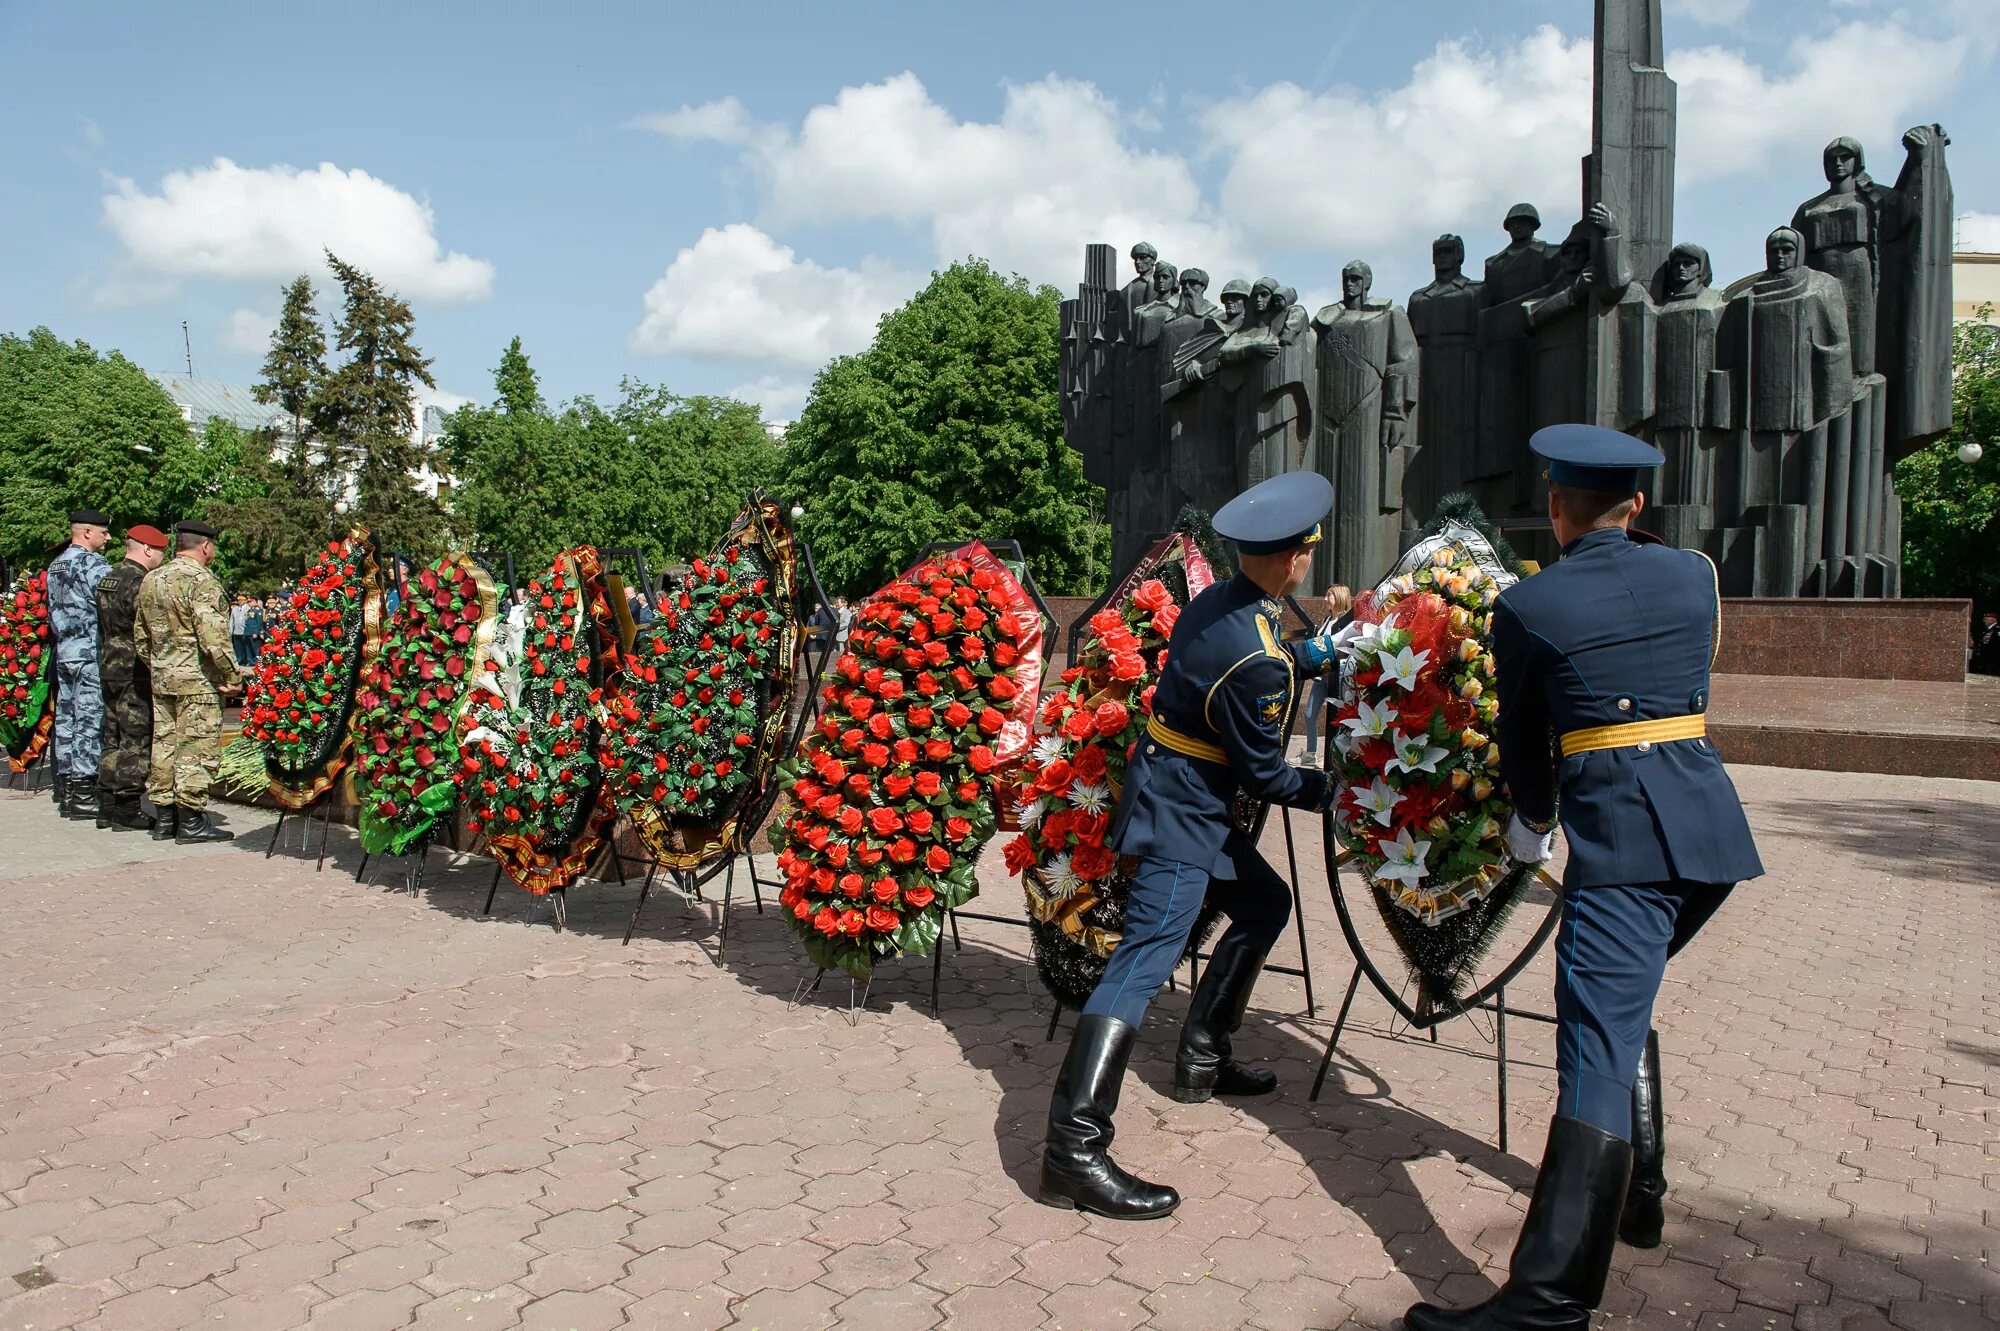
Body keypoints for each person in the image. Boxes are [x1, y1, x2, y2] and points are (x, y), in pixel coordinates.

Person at [1405, 425, 1764, 1331]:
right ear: (1637, 505)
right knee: (1622, 1007)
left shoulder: (1531, 606)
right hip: (1706, 836)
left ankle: (1547, 1300)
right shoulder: (1694, 576)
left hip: (1623, 843)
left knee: (1593, 1051)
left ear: (1555, 506)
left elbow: (1529, 747)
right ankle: (1636, 1196)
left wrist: (1530, 826)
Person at [1039, 472, 1349, 1220]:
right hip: (1187, 810)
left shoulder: (1226, 603)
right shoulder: (1259, 655)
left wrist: (1312, 657)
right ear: (1298, 557)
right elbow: (1270, 774)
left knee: (1263, 904)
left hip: (1181, 789)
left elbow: (1243, 660)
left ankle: (1203, 1052)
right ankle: (1072, 1149)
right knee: (1143, 958)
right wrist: (1336, 793)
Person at [134, 520, 242, 844]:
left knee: (164, 746)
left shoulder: (151, 580)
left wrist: (161, 665)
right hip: (196, 682)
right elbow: (214, 638)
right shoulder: (202, 581)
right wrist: (231, 676)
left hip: (163, 678)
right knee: (196, 749)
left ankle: (165, 819)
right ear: (205, 546)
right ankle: (192, 822)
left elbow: (141, 637)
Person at [93, 524, 169, 831]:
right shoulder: (141, 583)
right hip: (133, 669)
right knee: (135, 738)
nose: (162, 557)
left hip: (108, 664)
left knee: (112, 735)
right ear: (148, 549)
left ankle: (107, 802)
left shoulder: (107, 579)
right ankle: (127, 806)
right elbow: (148, 629)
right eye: (161, 551)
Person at [45, 508, 114, 821]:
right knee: (89, 720)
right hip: (88, 651)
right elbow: (110, 606)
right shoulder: (92, 563)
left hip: (65, 651)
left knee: (67, 719)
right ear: (87, 532)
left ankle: (67, 790)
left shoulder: (55, 564)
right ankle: (84, 793)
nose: (108, 537)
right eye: (103, 532)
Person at [1298, 584, 1353, 768]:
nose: (1325, 599)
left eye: (1329, 595)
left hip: (1336, 678)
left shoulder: (1346, 622)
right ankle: (1311, 753)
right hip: (1322, 677)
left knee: (1336, 718)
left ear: (1339, 597)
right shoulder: (1326, 620)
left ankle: (1335, 756)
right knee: (1309, 713)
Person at [1971, 610, 1999, 676]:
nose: (1984, 621)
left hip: (1993, 661)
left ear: (1993, 620)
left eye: (1986, 619)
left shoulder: (1997, 630)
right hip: (1985, 660)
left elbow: (1997, 646)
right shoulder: (1987, 630)